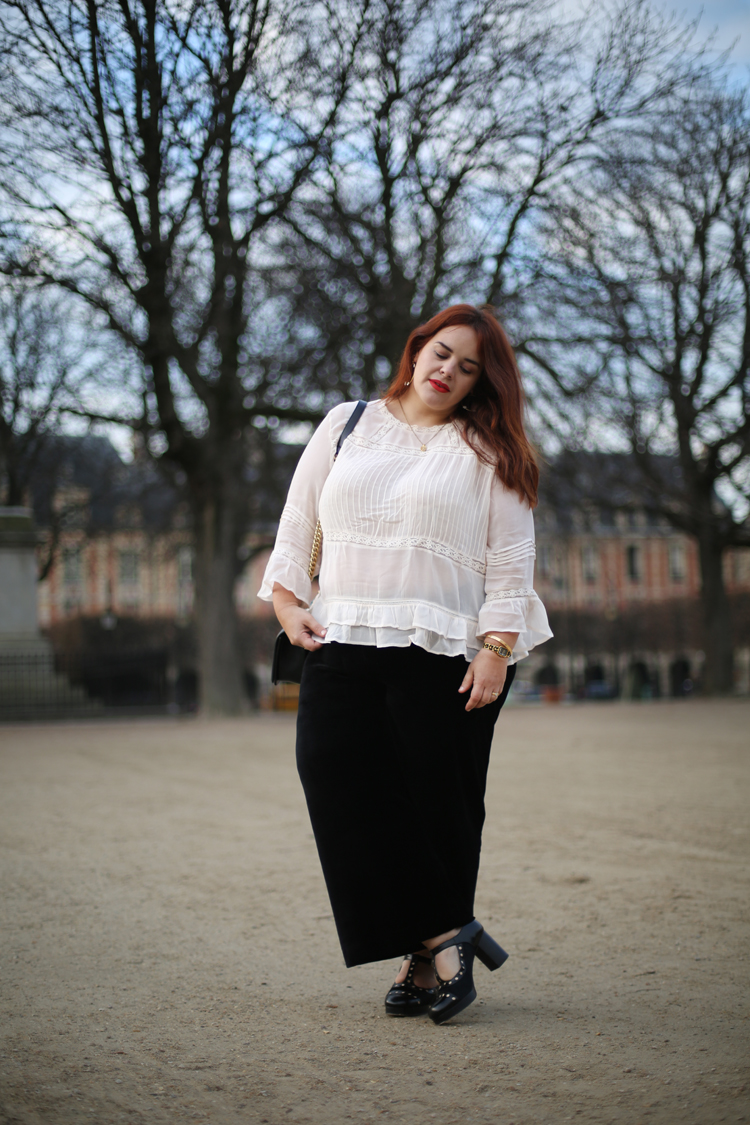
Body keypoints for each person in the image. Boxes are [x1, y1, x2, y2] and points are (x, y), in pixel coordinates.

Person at [258, 303, 552, 1024]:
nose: (448, 370)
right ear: (417, 349)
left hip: (446, 650)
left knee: (437, 805)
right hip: (342, 636)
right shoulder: (348, 423)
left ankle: (427, 961)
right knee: (333, 778)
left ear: (483, 382)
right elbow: (299, 520)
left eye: (469, 367)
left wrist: (496, 649)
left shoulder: (492, 449)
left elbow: (512, 563)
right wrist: (287, 604)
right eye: (441, 352)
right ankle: (450, 933)